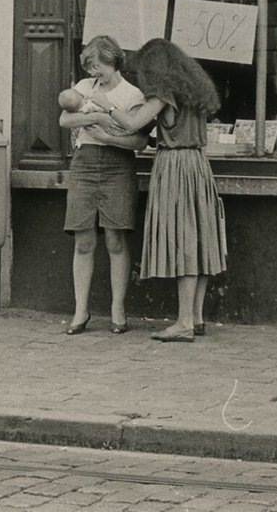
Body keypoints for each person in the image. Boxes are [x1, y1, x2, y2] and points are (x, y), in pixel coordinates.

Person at [90, 37, 225, 343]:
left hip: (175, 167)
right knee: (200, 239)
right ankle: (197, 316)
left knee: (183, 241)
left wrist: (106, 106)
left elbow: (133, 121)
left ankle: (184, 323)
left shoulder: (164, 92)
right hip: (198, 165)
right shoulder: (194, 90)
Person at [58, 35, 149, 336]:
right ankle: (80, 310)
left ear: (113, 61)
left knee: (115, 240)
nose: (93, 73)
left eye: (98, 66)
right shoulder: (84, 89)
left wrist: (109, 136)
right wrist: (97, 115)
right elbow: (64, 120)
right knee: (83, 240)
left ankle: (117, 309)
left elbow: (139, 140)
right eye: (90, 67)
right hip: (84, 164)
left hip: (118, 165)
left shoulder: (131, 93)